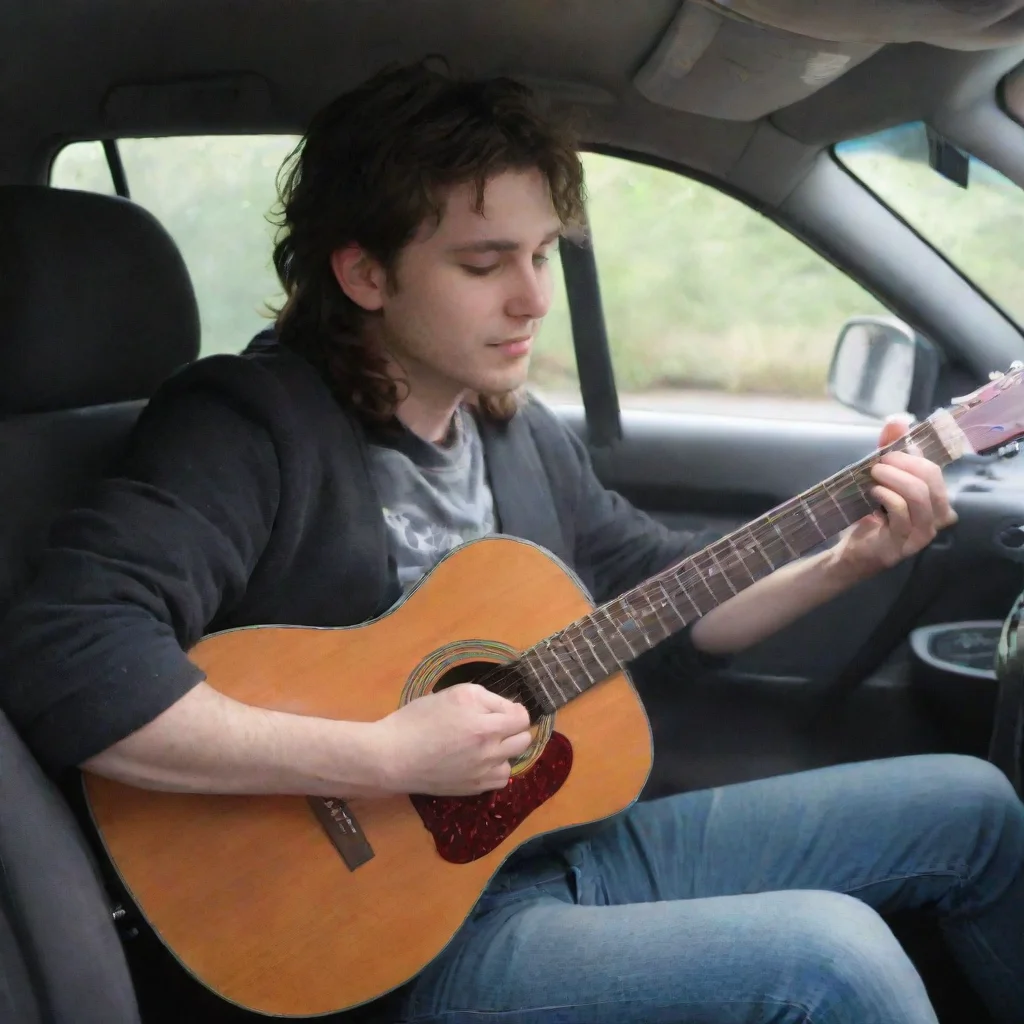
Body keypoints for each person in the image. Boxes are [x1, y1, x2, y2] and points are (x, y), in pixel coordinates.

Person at [1, 61, 1022, 1024]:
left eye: (540, 255)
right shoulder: (246, 427)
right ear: (362, 271)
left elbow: (662, 600)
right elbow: (68, 651)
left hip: (549, 845)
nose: (533, 298)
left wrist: (847, 559)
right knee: (830, 956)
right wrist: (381, 754)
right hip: (384, 942)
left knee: (977, 809)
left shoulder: (513, 429)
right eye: (484, 263)